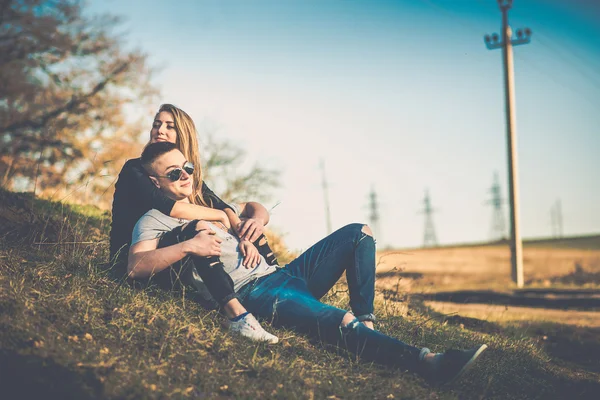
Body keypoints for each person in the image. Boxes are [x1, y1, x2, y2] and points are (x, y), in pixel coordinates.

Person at [129, 141, 489, 385]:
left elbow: (254, 207)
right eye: (174, 173)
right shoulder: (154, 219)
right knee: (338, 320)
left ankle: (368, 322)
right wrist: (189, 245)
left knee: (358, 233)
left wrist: (256, 220)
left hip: (283, 274)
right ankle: (430, 363)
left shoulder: (206, 203)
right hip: (256, 294)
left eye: (187, 168)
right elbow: (136, 267)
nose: (186, 176)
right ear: (153, 181)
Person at [110, 104, 278, 343]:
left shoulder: (189, 178)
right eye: (156, 124)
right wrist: (220, 217)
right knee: (198, 228)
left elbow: (225, 207)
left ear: (183, 134)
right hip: (137, 260)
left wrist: (245, 230)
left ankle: (276, 275)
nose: (159, 130)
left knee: (245, 227)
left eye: (169, 126)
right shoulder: (135, 170)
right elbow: (172, 208)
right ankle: (237, 315)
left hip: (174, 260)